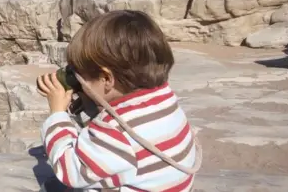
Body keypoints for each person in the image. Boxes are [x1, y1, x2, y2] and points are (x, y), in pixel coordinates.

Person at [37, 10, 199, 191]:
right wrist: (91, 99)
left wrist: (57, 114)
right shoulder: (164, 98)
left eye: (80, 76)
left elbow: (69, 171)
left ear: (106, 78)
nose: (78, 81)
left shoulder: (114, 131)